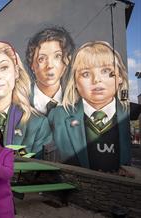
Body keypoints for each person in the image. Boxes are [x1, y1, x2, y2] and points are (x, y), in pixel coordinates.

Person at [48, 41, 131, 172]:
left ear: (120, 76)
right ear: (75, 82)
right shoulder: (57, 116)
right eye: (86, 74)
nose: (96, 79)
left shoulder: (132, 114)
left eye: (106, 71)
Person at [25, 26, 75, 115]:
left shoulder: (76, 102)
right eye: (41, 59)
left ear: (67, 60)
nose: (50, 66)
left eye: (57, 56)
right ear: (32, 64)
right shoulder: (20, 102)